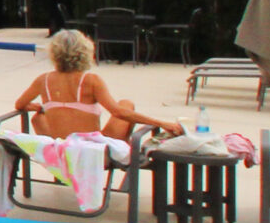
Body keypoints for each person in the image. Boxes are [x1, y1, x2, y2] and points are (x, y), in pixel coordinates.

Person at [13, 29, 177, 144]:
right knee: (125, 104)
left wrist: (43, 107)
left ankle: (62, 166)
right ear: (85, 51)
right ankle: (122, 156)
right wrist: (161, 123)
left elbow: (20, 104)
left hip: (62, 149)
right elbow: (118, 112)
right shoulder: (91, 80)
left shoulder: (43, 80)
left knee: (38, 117)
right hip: (92, 151)